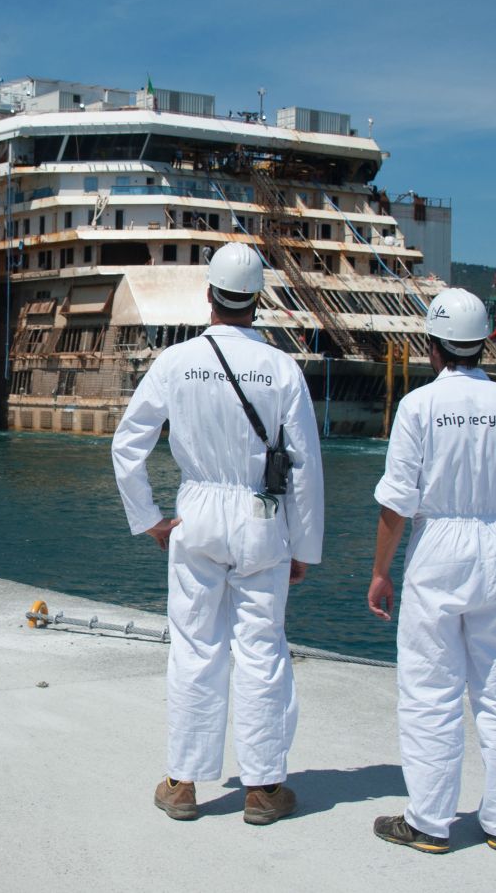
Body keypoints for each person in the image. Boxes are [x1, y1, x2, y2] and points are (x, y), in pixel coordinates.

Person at [111, 242, 324, 826]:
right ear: (259, 299)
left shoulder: (175, 361)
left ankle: (183, 782)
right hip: (261, 518)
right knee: (262, 651)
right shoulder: (282, 368)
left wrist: (150, 517)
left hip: (197, 510)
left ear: (209, 295)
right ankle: (263, 788)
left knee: (195, 647)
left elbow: (127, 446)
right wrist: (303, 547)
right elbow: (303, 465)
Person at [365, 287, 496, 854]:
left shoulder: (418, 406)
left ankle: (429, 821)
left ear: (434, 345)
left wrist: (379, 571)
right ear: (481, 346)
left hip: (439, 548)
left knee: (430, 690)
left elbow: (396, 505)